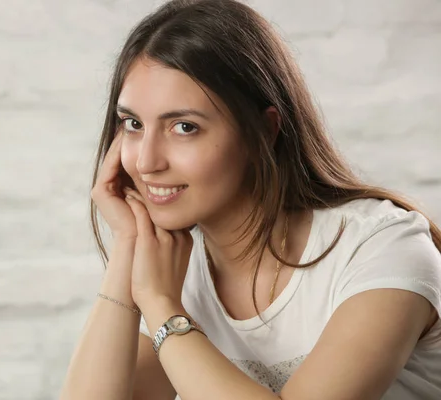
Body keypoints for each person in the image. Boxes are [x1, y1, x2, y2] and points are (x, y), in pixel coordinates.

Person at [59, 0, 441, 399]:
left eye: (184, 127)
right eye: (133, 124)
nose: (146, 161)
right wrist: (130, 249)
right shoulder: (175, 270)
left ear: (264, 129)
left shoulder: (381, 247)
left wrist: (159, 304)